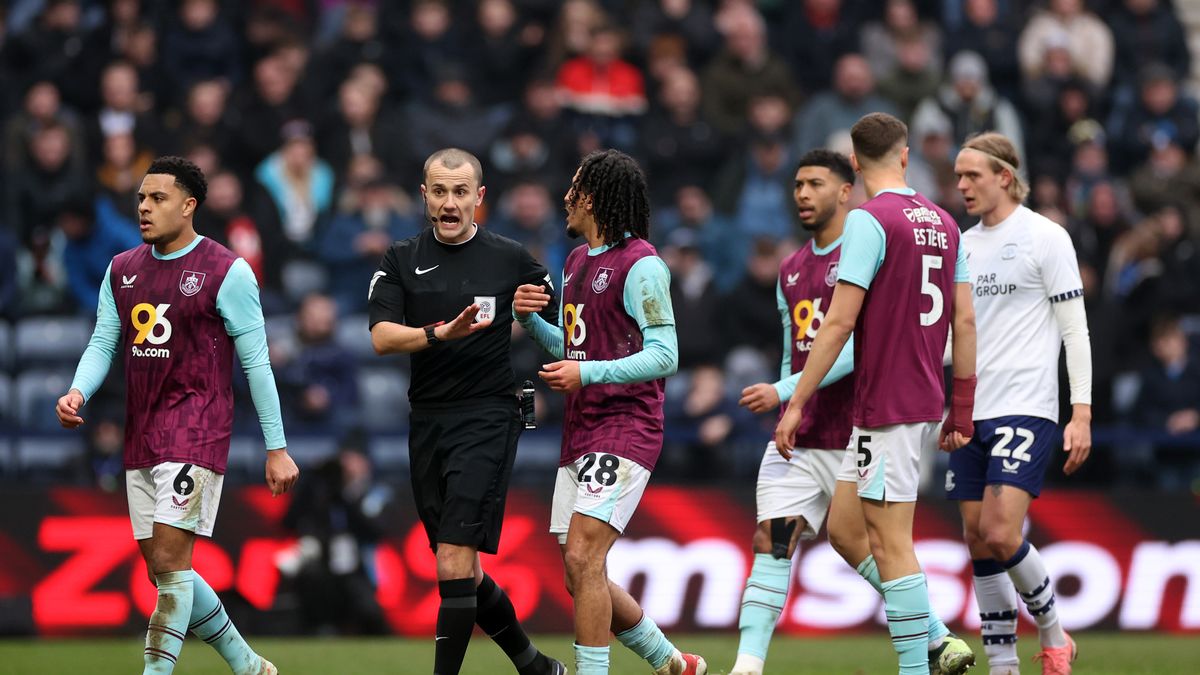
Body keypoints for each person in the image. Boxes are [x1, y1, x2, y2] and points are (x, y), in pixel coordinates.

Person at [731, 150, 974, 675]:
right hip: (800, 431)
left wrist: (784, 392)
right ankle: (747, 667)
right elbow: (793, 347)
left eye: (815, 183)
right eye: (797, 184)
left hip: (855, 428)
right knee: (772, 539)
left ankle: (933, 634)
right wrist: (788, 399)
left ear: (846, 191)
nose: (801, 193)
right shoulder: (791, 269)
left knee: (862, 541)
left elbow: (852, 347)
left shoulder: (871, 251)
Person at [54, 156, 299, 675]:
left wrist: (276, 448)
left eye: (158, 198)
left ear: (189, 206)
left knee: (169, 563)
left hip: (196, 430)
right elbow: (104, 340)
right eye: (141, 198)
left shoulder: (226, 271)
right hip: (142, 431)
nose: (144, 207)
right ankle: (250, 666)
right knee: (165, 573)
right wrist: (78, 391)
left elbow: (257, 364)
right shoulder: (121, 269)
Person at [367, 148, 564, 675]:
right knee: (462, 573)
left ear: (479, 198)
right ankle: (536, 666)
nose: (449, 203)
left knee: (453, 558)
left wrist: (540, 319)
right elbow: (382, 339)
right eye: (439, 191)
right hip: (427, 419)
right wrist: (440, 333)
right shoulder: (400, 258)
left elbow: (561, 324)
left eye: (460, 193)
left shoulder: (511, 258)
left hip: (488, 415)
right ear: (424, 196)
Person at [513, 149, 706, 675]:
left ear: (592, 198)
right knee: (579, 574)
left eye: (573, 188)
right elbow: (575, 349)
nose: (565, 199)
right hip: (580, 429)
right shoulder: (576, 262)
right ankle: (673, 664)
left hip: (626, 426)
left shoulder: (643, 264)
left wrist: (588, 373)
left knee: (583, 558)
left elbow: (665, 354)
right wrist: (529, 323)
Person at [952, 132, 1092, 675]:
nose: (961, 185)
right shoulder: (961, 244)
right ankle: (1004, 666)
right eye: (959, 176)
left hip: (1027, 404)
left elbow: (1074, 330)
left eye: (972, 176)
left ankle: (1055, 634)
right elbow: (957, 334)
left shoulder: (1046, 237)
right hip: (971, 409)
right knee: (975, 540)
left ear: (1004, 177)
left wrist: (1080, 412)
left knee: (1000, 531)